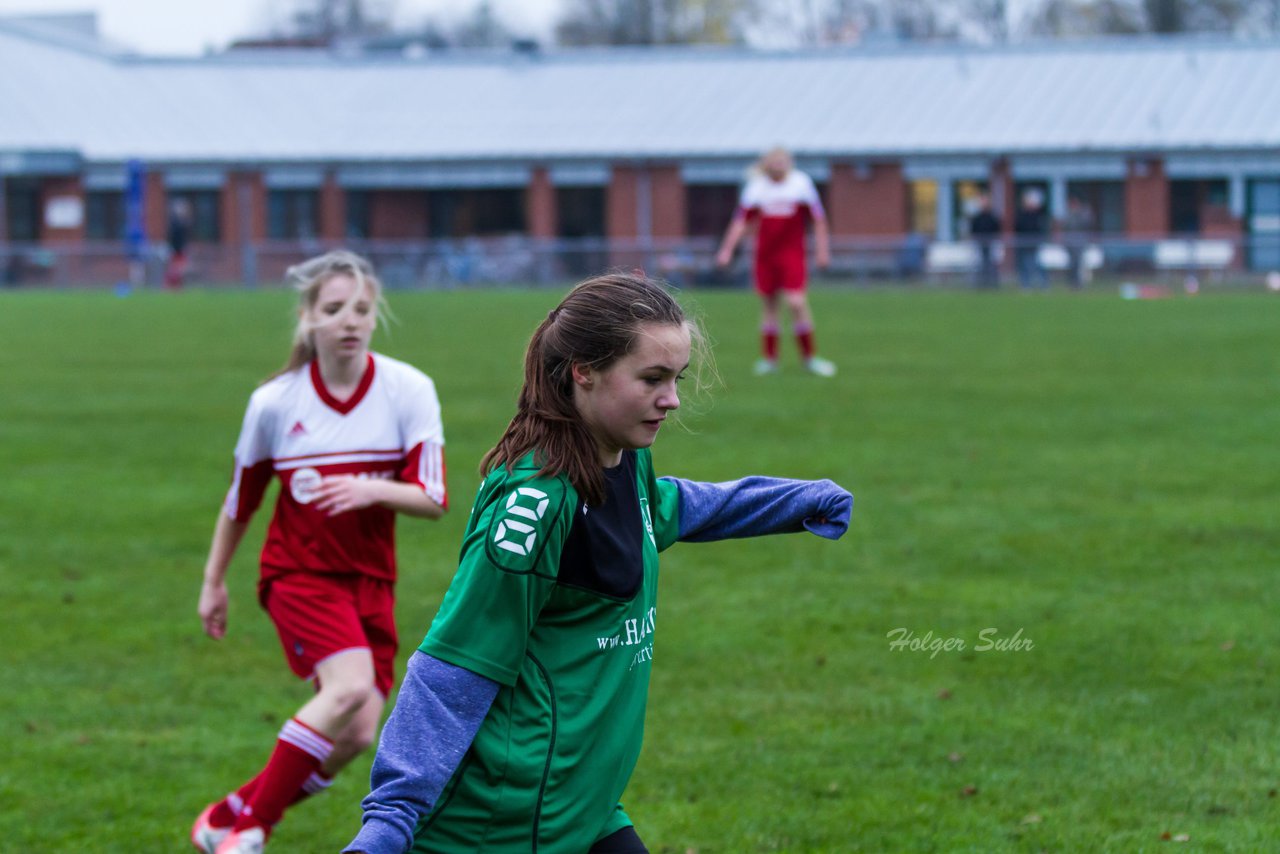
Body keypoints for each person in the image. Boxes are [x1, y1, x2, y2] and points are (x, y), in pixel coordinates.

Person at [344, 272, 852, 854]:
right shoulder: (535, 505)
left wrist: (791, 501)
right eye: (653, 379)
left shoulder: (623, 458)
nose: (673, 399)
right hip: (510, 822)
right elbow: (454, 666)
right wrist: (390, 818)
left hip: (580, 804)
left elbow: (670, 507)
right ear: (584, 370)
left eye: (677, 378)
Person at [191, 250, 448, 854]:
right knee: (350, 689)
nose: (350, 321)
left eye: (361, 309)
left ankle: (231, 813)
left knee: (358, 733)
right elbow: (240, 501)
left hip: (371, 581)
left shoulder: (407, 389)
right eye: (334, 309)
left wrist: (369, 488)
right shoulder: (276, 402)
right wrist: (214, 581)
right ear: (308, 318)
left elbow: (433, 497)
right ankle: (250, 833)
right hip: (297, 574)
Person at [715, 147, 836, 377]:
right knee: (770, 306)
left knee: (796, 302)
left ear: (789, 163)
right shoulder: (757, 188)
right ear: (766, 164)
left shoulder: (801, 184)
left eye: (783, 161)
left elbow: (818, 220)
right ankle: (770, 359)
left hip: (792, 254)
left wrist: (822, 251)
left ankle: (809, 358)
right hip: (765, 255)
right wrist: (727, 250)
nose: (779, 165)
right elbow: (740, 222)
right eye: (775, 161)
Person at [1013, 188, 1048, 290]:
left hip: (1034, 243)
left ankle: (1043, 284)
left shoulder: (1038, 214)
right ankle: (1025, 285)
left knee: (1036, 263)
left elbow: (1040, 227)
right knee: (1024, 264)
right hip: (1023, 242)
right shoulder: (1021, 214)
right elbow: (1018, 226)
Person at [968, 192, 1002, 289]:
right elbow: (973, 230)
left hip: (990, 244)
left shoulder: (992, 217)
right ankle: (981, 284)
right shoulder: (976, 218)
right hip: (980, 245)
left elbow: (997, 229)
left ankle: (993, 284)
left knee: (992, 264)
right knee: (980, 264)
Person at [1061, 195, 1094, 290]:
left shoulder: (1082, 214)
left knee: (1080, 264)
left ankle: (1079, 283)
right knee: (1072, 264)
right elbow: (1064, 226)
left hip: (1080, 242)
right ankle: (1072, 283)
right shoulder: (1068, 214)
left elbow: (1087, 223)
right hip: (1070, 243)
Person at [165, 197, 193, 290]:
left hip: (180, 250)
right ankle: (171, 287)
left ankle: (176, 287)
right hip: (176, 250)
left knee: (179, 270)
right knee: (176, 270)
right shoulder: (176, 224)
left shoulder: (183, 223)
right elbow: (172, 238)